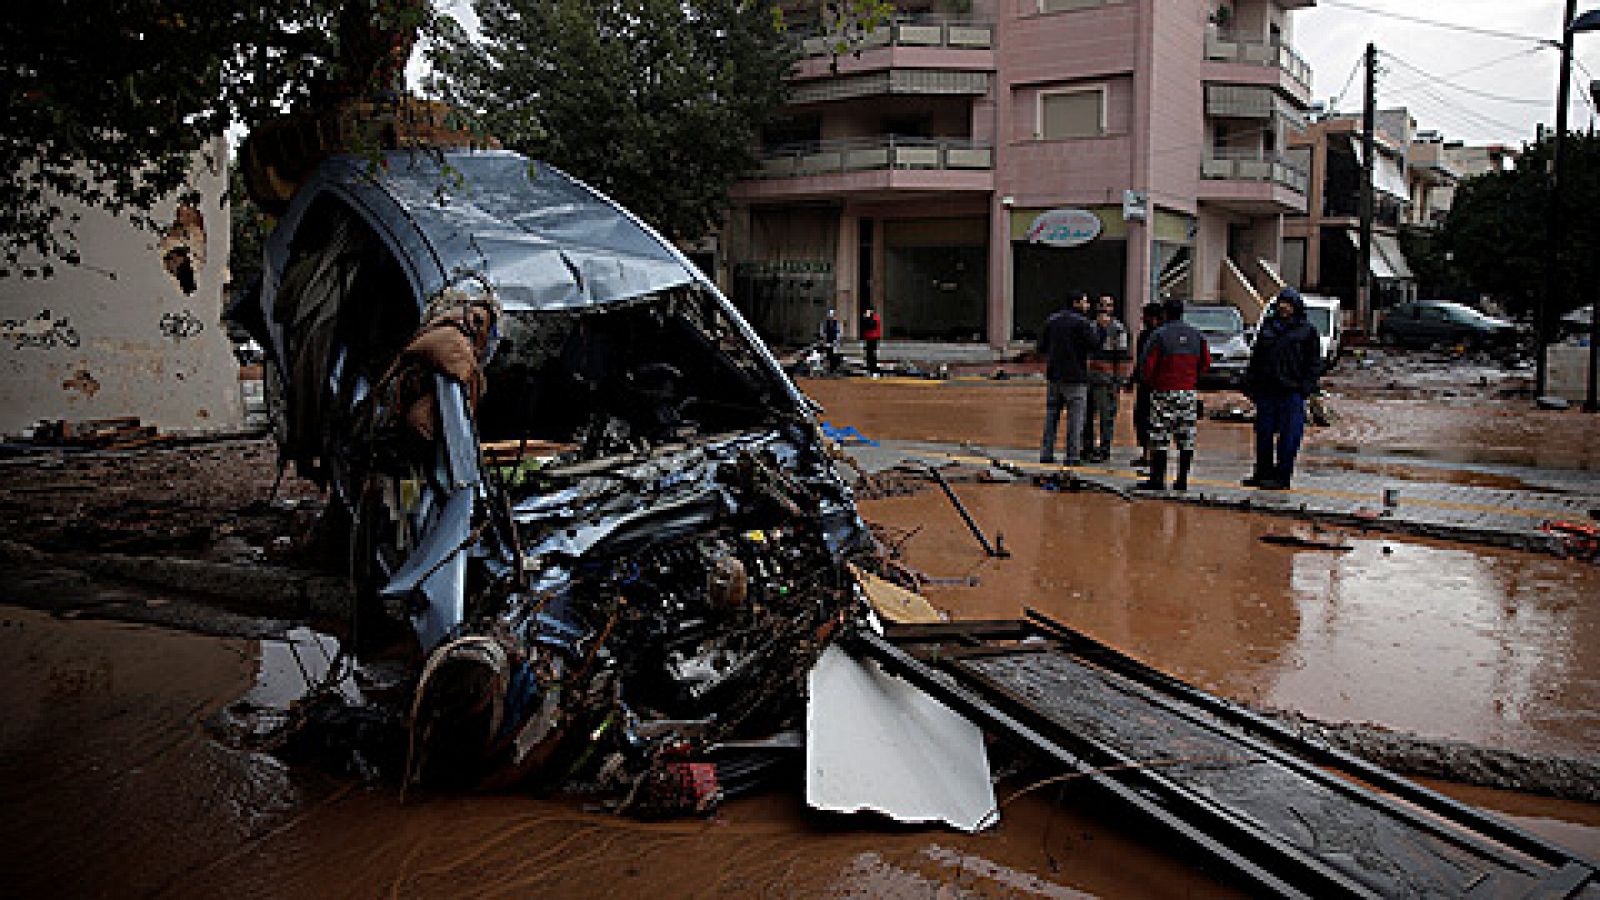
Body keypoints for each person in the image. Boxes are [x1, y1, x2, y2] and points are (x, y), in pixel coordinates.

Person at [1243, 287, 1323, 490]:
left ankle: (1282, 476)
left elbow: (1314, 363)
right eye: (1281, 303)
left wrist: (1306, 388)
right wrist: (1249, 383)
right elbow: (1257, 357)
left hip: (1291, 391)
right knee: (1263, 434)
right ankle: (1262, 473)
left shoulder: (1307, 331)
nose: (1284, 307)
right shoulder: (1269, 327)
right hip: (1267, 390)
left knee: (1289, 437)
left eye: (1288, 304)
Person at [1135, 297, 1209, 491]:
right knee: (1186, 436)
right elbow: (1205, 363)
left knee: (1160, 435)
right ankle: (1182, 479)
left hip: (1163, 391)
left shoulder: (1158, 336)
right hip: (1188, 392)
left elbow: (1147, 365)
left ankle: (1157, 479)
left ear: (1165, 314)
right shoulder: (1197, 336)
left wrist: (1153, 384)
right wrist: (1191, 380)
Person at [1038, 290, 1100, 465]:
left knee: (1051, 416)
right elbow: (1094, 345)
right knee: (1075, 419)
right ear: (1076, 303)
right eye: (1085, 302)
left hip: (1054, 375)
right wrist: (1099, 330)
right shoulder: (1083, 323)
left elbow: (1042, 347)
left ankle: (1046, 453)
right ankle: (1072, 455)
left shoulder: (1052, 321)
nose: (1087, 306)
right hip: (1076, 376)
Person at [1084, 294, 1131, 462]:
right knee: (1086, 416)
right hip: (1088, 379)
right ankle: (1087, 447)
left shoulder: (1118, 329)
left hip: (1106, 381)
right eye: (1103, 305)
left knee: (1106, 417)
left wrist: (1118, 381)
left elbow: (1122, 357)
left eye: (1109, 305)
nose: (1105, 309)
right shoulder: (1089, 327)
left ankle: (1104, 449)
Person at [1129, 302, 1164, 468]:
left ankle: (1153, 455)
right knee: (1141, 418)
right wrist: (1133, 379)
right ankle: (1145, 452)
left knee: (1154, 420)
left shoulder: (1161, 336)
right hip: (1144, 384)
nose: (1143, 319)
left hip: (1157, 385)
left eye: (1146, 316)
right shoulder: (1143, 336)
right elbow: (1141, 361)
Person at [860, 306, 883, 375]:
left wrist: (867, 318)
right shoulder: (867, 318)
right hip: (868, 337)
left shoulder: (875, 318)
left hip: (873, 337)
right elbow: (864, 327)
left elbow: (872, 326)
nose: (867, 313)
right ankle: (869, 367)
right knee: (868, 354)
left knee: (872, 354)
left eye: (868, 311)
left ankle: (873, 368)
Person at [819, 308, 842, 373]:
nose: (831, 317)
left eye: (832, 315)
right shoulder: (825, 323)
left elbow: (839, 332)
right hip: (827, 341)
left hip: (834, 342)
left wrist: (836, 341)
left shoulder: (837, 323)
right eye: (830, 315)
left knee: (834, 355)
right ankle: (828, 368)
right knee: (828, 355)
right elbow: (822, 332)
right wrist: (824, 340)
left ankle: (833, 368)